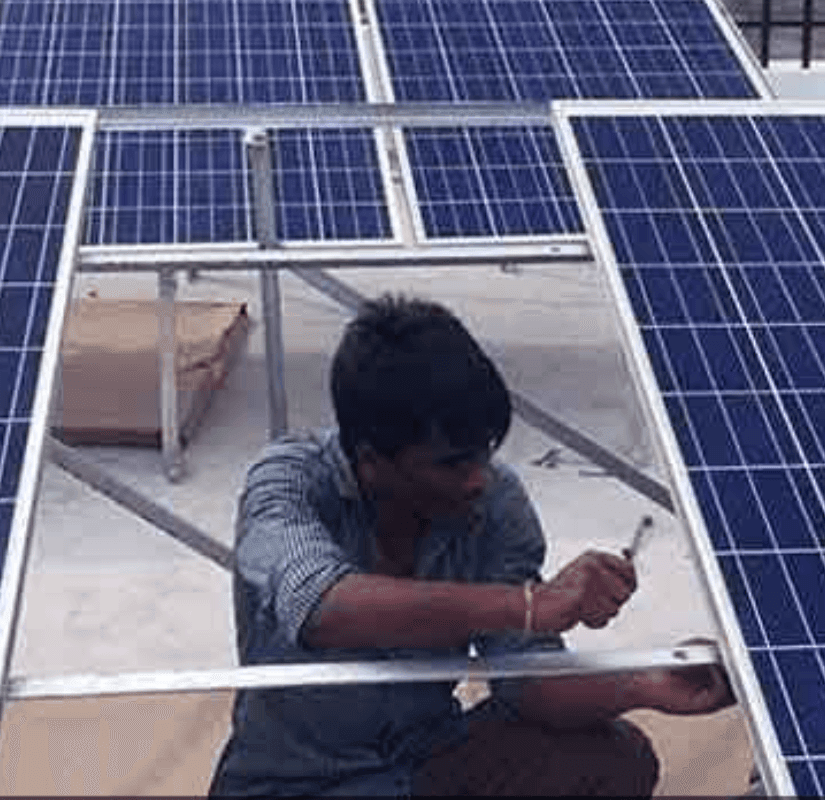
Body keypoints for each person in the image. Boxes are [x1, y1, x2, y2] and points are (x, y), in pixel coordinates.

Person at [209, 295, 734, 796]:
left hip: (423, 762)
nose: (478, 478)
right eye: (452, 462)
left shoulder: (497, 505)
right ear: (371, 460)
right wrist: (530, 605)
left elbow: (527, 683)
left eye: (484, 452)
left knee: (616, 760)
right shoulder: (288, 481)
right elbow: (320, 607)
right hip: (289, 785)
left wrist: (641, 683)